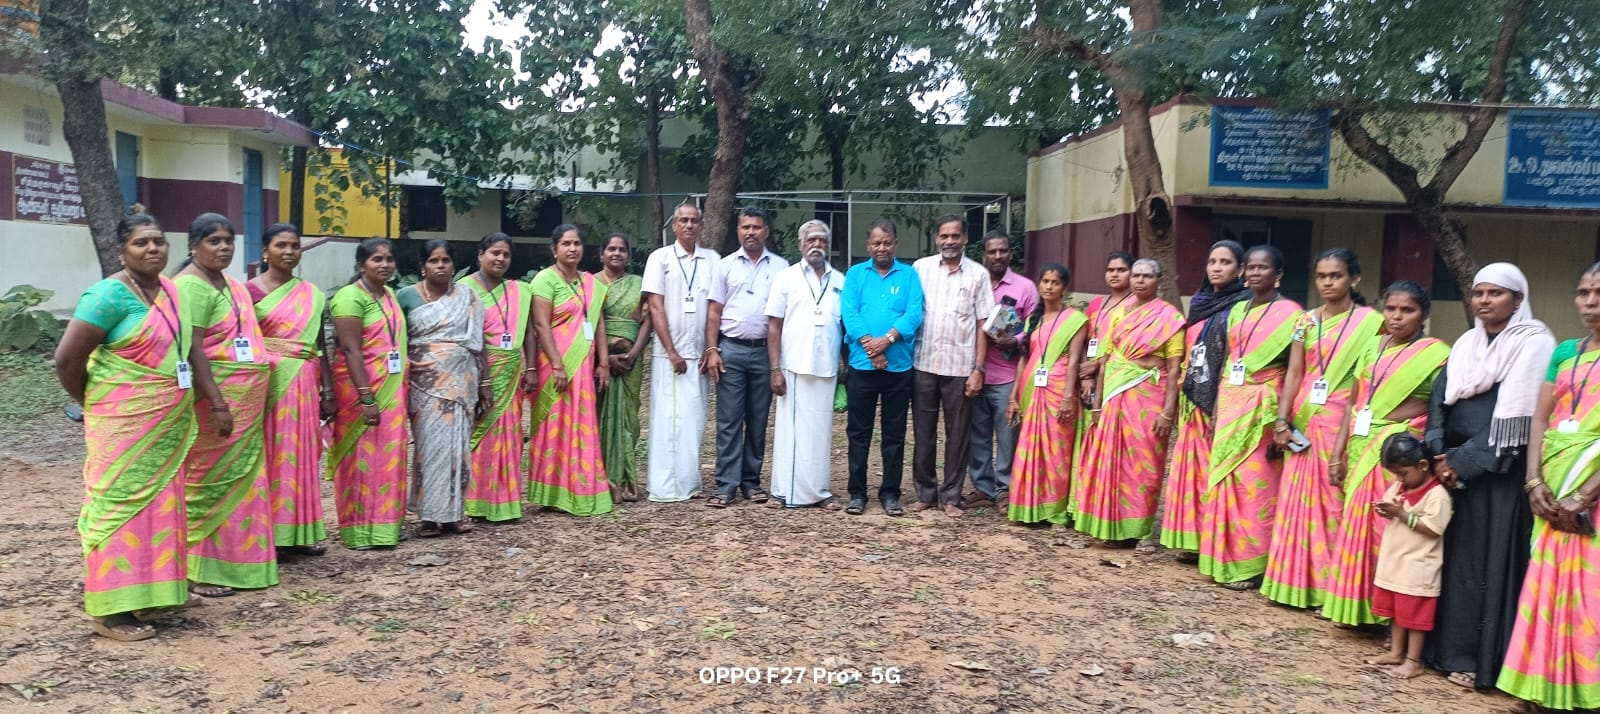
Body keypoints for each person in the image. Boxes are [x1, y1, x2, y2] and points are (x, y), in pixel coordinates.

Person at [54, 214, 206, 640]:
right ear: (122, 252)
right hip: (122, 423)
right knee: (119, 507)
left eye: (159, 241)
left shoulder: (172, 291)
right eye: (141, 243)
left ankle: (156, 592)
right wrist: (94, 403)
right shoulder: (107, 295)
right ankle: (112, 611)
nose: (153, 248)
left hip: (168, 424)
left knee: (162, 505)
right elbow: (66, 360)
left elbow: (186, 351)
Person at [1423, 262, 1555, 690]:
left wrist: (1460, 463)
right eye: (1479, 292)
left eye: (1495, 293)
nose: (1483, 300)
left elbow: (1517, 420)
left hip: (1497, 475)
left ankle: (1478, 660)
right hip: (1451, 470)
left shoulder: (1535, 344)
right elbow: (1439, 399)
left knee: (1486, 567)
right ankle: (1443, 652)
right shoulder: (1466, 342)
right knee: (1451, 564)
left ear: (1517, 299)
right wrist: (1437, 451)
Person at [1498, 262, 1600, 709]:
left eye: (1599, 294)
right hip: (1553, 486)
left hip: (1590, 490)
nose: (1590, 303)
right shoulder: (1564, 352)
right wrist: (1533, 480)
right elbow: (1540, 418)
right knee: (1547, 585)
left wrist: (1585, 494)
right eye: (1583, 293)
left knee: (1589, 593)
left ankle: (1586, 693)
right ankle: (1541, 688)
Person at [1262, 248, 1382, 608]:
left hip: (1341, 418)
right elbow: (1294, 373)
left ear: (1354, 278)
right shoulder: (1304, 321)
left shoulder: (1371, 322)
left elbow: (1368, 376)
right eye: (1322, 276)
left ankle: (1330, 589)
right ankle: (1291, 583)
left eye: (1336, 275)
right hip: (1303, 417)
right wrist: (1281, 419)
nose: (1328, 283)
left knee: (1332, 501)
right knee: (1295, 498)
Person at [1323, 282, 1448, 627]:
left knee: (1387, 531)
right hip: (1360, 445)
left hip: (1399, 452)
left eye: (1407, 310)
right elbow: (1353, 404)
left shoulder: (1436, 354)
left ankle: (1385, 615)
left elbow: (1439, 408)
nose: (1397, 317)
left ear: (1423, 314)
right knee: (1356, 526)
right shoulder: (1371, 347)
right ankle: (1353, 609)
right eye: (1391, 308)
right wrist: (1337, 453)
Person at [174, 213, 278, 596]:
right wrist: (218, 403)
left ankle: (237, 565)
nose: (223, 248)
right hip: (214, 401)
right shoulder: (189, 286)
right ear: (193, 246)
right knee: (208, 481)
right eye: (213, 241)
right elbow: (193, 348)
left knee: (243, 481)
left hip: (246, 403)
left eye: (228, 241)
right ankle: (196, 568)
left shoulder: (233, 285)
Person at [1199, 245, 1302, 590]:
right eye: (1251, 267)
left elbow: (1294, 371)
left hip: (1263, 409)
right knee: (1225, 482)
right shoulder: (1237, 310)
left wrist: (1281, 420)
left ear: (1278, 275)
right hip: (1231, 404)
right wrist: (1216, 408)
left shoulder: (1293, 315)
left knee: (1256, 487)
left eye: (1264, 268)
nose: (1256, 273)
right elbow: (1229, 361)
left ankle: (1252, 565)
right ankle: (1221, 558)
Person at [1075, 258, 1184, 546]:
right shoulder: (1117, 314)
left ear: (1158, 280)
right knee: (1112, 460)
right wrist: (1097, 403)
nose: (1140, 281)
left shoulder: (1169, 317)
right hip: (1114, 394)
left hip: (1149, 395)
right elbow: (1107, 361)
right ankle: (1112, 529)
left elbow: (1174, 368)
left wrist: (1168, 410)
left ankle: (1140, 530)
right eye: (1136, 275)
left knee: (1144, 462)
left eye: (1147, 276)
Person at [248, 223, 334, 557]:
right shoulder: (248, 292)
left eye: (294, 246)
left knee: (303, 456)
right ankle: (270, 536)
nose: (288, 251)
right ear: (265, 251)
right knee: (272, 456)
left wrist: (328, 387)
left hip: (305, 381)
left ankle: (298, 534)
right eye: (280, 245)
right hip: (268, 383)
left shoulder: (311, 294)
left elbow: (320, 344)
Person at [1161, 240, 1249, 561]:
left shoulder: (1244, 307)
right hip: (1192, 398)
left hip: (1222, 399)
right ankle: (1192, 539)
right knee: (1192, 471)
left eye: (1225, 262)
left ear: (1240, 269)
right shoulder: (1199, 302)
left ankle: (1214, 540)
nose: (1216, 268)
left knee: (1215, 470)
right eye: (1212, 261)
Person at [398, 240, 487, 536]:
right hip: (423, 383)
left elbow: (478, 343)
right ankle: (428, 517)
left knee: (458, 447)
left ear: (453, 265)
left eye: (446, 260)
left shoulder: (467, 297)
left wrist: (485, 382)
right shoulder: (405, 297)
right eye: (434, 260)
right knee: (429, 448)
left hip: (462, 381)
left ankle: (453, 515)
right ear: (423, 266)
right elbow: (396, 340)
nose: (440, 266)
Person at [328, 238, 410, 550]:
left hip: (392, 391)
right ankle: (359, 530)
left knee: (389, 458)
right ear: (361, 265)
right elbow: (350, 350)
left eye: (389, 259)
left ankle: (387, 526)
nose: (385, 264)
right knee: (361, 458)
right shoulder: (350, 297)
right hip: (361, 392)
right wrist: (366, 397)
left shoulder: (389, 295)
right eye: (377, 259)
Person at [526, 224, 613, 516]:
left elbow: (597, 323)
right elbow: (540, 325)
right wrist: (557, 364)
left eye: (577, 243)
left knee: (582, 425)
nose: (572, 248)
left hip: (584, 368)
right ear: (554, 249)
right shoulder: (545, 279)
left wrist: (603, 362)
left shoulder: (590, 283)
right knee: (555, 427)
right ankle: (552, 493)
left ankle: (581, 487)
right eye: (566, 243)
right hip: (556, 367)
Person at [704, 207, 789, 507]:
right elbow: (714, 311)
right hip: (732, 350)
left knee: (758, 419)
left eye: (756, 227)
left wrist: (777, 364)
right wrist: (712, 350)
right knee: (729, 420)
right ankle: (726, 484)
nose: (750, 232)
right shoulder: (725, 265)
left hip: (765, 352)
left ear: (766, 231)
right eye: (745, 227)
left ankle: (751, 482)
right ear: (738, 230)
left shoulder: (781, 268)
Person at [841, 218, 924, 516]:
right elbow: (849, 313)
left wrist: (886, 340)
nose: (882, 248)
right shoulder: (855, 274)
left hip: (898, 368)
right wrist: (871, 347)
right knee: (858, 433)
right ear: (868, 245)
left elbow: (914, 313)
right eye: (876, 243)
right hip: (862, 367)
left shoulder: (909, 275)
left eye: (887, 243)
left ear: (895, 244)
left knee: (894, 434)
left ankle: (890, 493)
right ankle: (857, 493)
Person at [910, 215, 993, 517]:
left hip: (960, 368)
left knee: (958, 435)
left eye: (955, 236)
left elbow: (983, 323)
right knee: (923, 433)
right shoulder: (920, 269)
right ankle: (925, 493)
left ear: (965, 239)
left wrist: (978, 369)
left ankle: (951, 496)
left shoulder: (978, 274)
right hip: (924, 363)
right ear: (936, 238)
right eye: (944, 236)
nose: (949, 241)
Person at [642, 204, 720, 502]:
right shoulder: (660, 258)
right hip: (669, 356)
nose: (689, 225)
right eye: (683, 220)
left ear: (701, 225)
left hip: (699, 355)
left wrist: (711, 348)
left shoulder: (712, 259)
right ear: (674, 225)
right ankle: (664, 486)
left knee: (694, 419)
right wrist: (671, 351)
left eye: (694, 221)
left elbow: (715, 307)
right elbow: (655, 305)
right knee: (667, 420)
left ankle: (689, 482)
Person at [765, 220, 844, 509]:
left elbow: (845, 327)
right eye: (811, 240)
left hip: (826, 366)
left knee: (820, 433)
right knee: (790, 432)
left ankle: (819, 492)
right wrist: (775, 369)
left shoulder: (840, 280)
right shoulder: (785, 278)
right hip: (793, 366)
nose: (817, 245)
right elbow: (774, 326)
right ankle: (782, 491)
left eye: (822, 240)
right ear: (800, 245)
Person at [1364, 434, 1453, 681]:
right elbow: (1392, 503)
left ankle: (1413, 661)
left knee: (1415, 617)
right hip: (1397, 563)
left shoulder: (1437, 495)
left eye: (1403, 474)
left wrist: (1402, 514)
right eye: (1395, 475)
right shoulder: (1401, 487)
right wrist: (1386, 509)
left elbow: (1434, 528)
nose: (1399, 479)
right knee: (1398, 613)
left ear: (1423, 465)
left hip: (1418, 567)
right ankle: (1396, 652)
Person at [1006, 263, 1087, 525]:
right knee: (1031, 449)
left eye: (1055, 282)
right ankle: (1029, 508)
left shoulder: (1075, 320)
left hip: (1059, 391)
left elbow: (1074, 361)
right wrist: (1013, 396)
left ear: (1064, 288)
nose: (1049, 287)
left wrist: (1068, 397)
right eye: (1045, 281)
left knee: (1056, 453)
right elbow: (1023, 359)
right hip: (1032, 390)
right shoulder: (1034, 319)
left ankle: (1055, 511)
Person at [461, 233, 532, 522]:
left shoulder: (519, 291)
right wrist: (484, 380)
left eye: (506, 254)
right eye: (495, 253)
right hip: (477, 370)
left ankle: (505, 502)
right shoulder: (464, 289)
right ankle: (474, 502)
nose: (501, 259)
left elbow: (529, 331)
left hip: (512, 371)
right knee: (479, 434)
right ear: (480, 255)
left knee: (509, 435)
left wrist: (530, 368)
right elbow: (467, 337)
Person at [967, 230, 1038, 508]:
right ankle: (982, 487)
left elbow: (1036, 328)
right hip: (975, 373)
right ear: (983, 254)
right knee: (978, 434)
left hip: (1008, 376)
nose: (997, 256)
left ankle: (1005, 489)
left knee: (1008, 435)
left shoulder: (1025, 288)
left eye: (1003, 251)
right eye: (992, 251)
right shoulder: (974, 282)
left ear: (1010, 253)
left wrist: (1016, 340)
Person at [1073, 251, 1135, 514]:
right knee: (1088, 437)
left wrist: (1098, 366)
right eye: (1111, 270)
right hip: (1090, 379)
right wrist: (1086, 375)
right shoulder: (1096, 305)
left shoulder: (1135, 306)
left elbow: (1125, 347)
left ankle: (1109, 503)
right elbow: (1087, 342)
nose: (1115, 274)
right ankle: (1084, 500)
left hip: (1117, 378)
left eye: (1121, 270)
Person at [595, 233, 653, 501]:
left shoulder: (639, 284)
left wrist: (633, 354)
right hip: (598, 362)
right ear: (602, 254)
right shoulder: (590, 284)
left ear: (628, 256)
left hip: (632, 360)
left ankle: (626, 481)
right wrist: (604, 358)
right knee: (599, 417)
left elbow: (648, 321)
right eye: (611, 249)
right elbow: (588, 323)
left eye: (622, 250)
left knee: (628, 416)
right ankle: (601, 480)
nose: (616, 253)